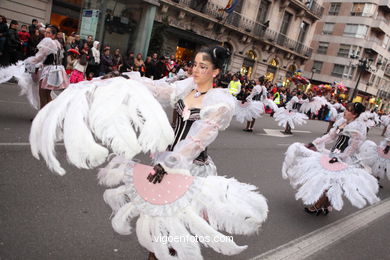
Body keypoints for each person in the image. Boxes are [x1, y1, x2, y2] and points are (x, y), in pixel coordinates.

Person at [29, 46, 269, 260]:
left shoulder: (220, 102)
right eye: (194, 64)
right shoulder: (185, 87)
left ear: (215, 72)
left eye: (203, 66)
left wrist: (172, 161)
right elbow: (157, 89)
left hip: (191, 168)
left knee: (176, 228)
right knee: (158, 223)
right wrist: (124, 79)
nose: (196, 70)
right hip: (165, 164)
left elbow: (198, 139)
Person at [283, 102, 379, 215]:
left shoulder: (357, 126)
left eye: (349, 110)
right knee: (327, 181)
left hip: (344, 159)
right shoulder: (343, 122)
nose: (345, 111)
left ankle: (318, 205)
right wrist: (313, 143)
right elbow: (331, 136)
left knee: (332, 183)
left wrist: (341, 158)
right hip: (334, 155)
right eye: (346, 109)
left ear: (354, 114)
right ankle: (324, 205)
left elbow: (353, 147)